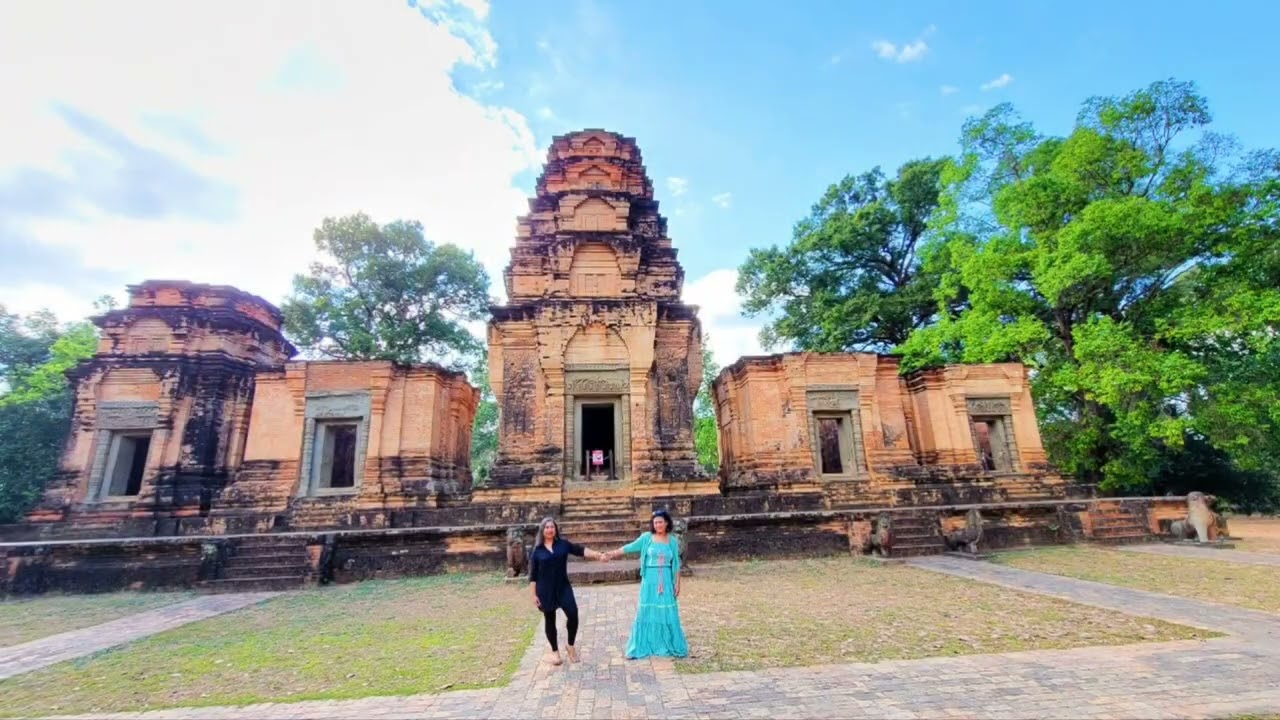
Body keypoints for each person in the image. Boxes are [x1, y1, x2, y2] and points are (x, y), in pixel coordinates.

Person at [603, 509, 689, 659]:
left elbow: (676, 563)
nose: (658, 525)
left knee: (666, 611)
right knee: (646, 611)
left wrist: (677, 583)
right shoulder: (646, 538)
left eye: (660, 522)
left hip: (666, 581)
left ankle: (667, 643)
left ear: (666, 523)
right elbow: (629, 547)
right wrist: (611, 553)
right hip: (650, 579)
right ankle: (642, 644)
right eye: (655, 522)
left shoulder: (673, 541)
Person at [528, 516, 607, 665]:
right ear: (542, 530)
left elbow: (580, 550)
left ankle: (570, 646)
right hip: (545, 590)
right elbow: (533, 576)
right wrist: (533, 595)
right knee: (549, 620)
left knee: (573, 614)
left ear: (555, 529)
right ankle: (555, 652)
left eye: (552, 527)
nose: (550, 529)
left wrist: (597, 554)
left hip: (563, 586)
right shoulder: (537, 551)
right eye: (547, 527)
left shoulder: (562, 545)